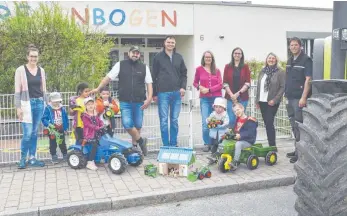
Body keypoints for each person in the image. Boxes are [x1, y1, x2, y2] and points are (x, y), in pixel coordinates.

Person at [90, 46, 152, 156]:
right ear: (128, 53)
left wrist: (149, 98)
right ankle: (141, 142)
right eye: (133, 52)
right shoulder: (120, 65)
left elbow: (149, 83)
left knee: (137, 126)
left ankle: (135, 147)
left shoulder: (144, 67)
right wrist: (98, 89)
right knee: (128, 125)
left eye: (137, 53)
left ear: (139, 55)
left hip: (139, 102)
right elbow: (108, 78)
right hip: (125, 101)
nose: (135, 54)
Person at [15, 44, 47, 169]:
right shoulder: (20, 70)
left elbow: (44, 89)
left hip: (39, 103)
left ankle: (32, 158)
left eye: (35, 56)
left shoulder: (41, 71)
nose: (33, 58)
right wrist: (18, 107)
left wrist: (47, 103)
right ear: (27, 57)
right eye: (31, 56)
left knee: (34, 132)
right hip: (26, 104)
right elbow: (17, 91)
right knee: (27, 133)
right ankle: (22, 158)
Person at [152, 36, 187, 147]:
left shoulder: (179, 57)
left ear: (174, 44)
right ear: (164, 43)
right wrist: (154, 93)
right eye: (168, 42)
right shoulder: (158, 57)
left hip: (176, 93)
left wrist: (183, 87)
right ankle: (166, 145)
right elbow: (154, 76)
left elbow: (184, 74)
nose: (170, 44)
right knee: (163, 121)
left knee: (174, 120)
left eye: (172, 42)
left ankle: (173, 143)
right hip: (163, 94)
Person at [284, 37, 312, 163]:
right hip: (289, 97)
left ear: (300, 46)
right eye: (292, 45)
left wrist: (303, 97)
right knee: (293, 125)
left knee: (299, 125)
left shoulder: (306, 60)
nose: (293, 47)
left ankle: (300, 153)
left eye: (296, 45)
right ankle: (296, 150)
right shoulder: (290, 60)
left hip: (298, 98)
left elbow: (308, 79)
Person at [193, 51, 223, 152]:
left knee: (215, 121)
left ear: (212, 58)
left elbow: (220, 84)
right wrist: (199, 86)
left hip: (216, 99)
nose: (208, 59)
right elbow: (195, 82)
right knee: (206, 122)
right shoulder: (199, 69)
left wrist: (209, 90)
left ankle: (214, 142)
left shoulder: (217, 70)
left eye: (209, 57)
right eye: (206, 57)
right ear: (203, 58)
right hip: (204, 99)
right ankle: (206, 142)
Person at [255, 53, 285, 147]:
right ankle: (271, 145)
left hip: (272, 102)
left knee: (269, 123)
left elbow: (283, 87)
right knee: (268, 124)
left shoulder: (280, 72)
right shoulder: (262, 71)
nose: (271, 60)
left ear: (276, 60)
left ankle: (272, 146)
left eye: (273, 58)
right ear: (266, 59)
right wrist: (257, 100)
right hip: (262, 101)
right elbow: (259, 86)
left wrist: (275, 100)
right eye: (269, 58)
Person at [223, 47, 251, 129]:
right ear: (232, 54)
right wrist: (232, 95)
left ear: (242, 55)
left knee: (240, 119)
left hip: (243, 97)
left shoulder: (245, 67)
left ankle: (239, 139)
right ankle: (231, 139)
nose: (237, 55)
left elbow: (247, 82)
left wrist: (238, 94)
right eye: (235, 53)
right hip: (230, 97)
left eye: (239, 53)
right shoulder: (227, 66)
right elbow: (225, 83)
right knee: (231, 120)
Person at [41, 92, 69, 164]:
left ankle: (65, 154)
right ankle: (54, 156)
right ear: (51, 100)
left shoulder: (62, 108)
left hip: (61, 128)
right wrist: (48, 124)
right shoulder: (48, 108)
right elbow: (44, 118)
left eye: (58, 101)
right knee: (53, 143)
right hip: (52, 130)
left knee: (62, 142)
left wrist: (66, 128)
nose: (56, 103)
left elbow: (65, 118)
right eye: (55, 101)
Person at [229, 103, 258, 170]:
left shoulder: (250, 120)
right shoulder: (237, 119)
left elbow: (250, 132)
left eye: (238, 110)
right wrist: (231, 131)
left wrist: (241, 135)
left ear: (242, 108)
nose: (236, 112)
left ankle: (235, 162)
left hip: (248, 141)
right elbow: (236, 129)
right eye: (235, 111)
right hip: (238, 139)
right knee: (225, 139)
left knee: (238, 144)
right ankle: (216, 155)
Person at [81, 97, 104, 171]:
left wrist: (102, 124)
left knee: (103, 141)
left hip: (96, 133)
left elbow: (99, 121)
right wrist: (96, 127)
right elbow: (87, 124)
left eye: (92, 104)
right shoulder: (85, 116)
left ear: (94, 105)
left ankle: (99, 157)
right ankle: (90, 162)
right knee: (94, 144)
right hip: (89, 135)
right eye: (88, 105)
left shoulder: (95, 114)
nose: (90, 106)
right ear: (86, 106)